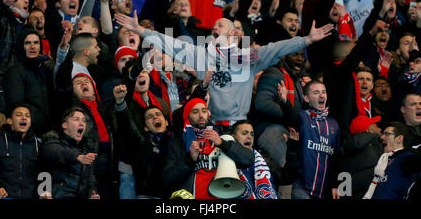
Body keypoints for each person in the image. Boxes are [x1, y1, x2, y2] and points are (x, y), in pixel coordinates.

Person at [115, 11, 333, 132]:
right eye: (214, 26)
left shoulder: (248, 58)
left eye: (220, 25)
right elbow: (170, 44)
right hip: (210, 127)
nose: (215, 28)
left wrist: (307, 40)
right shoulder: (201, 55)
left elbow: (277, 48)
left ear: (233, 32)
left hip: (241, 128)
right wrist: (140, 30)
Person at [161, 98, 254, 199]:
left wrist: (222, 143)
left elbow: (249, 159)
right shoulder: (178, 144)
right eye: (195, 112)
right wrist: (189, 160)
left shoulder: (222, 137)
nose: (201, 115)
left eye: (204, 111)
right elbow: (167, 181)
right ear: (188, 116)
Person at [290, 80, 341, 199]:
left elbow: (337, 159)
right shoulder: (302, 117)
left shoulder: (334, 124)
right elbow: (289, 113)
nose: (321, 95)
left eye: (323, 92)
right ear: (306, 98)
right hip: (301, 188)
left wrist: (335, 185)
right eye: (316, 92)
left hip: (324, 192)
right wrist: (284, 101)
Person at [0, 103, 40, 199]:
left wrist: (44, 192)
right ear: (9, 121)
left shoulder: (37, 144)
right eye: (19, 115)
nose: (24, 118)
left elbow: (45, 173)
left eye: (27, 116)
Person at [40, 106, 100, 199]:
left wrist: (92, 192)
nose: (82, 123)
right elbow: (56, 152)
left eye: (84, 120)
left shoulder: (86, 150)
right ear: (65, 125)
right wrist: (78, 157)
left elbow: (90, 178)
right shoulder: (52, 142)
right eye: (76, 119)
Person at [3, 28, 54, 135]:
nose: (32, 46)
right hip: (28, 132)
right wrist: (40, 121)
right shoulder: (14, 72)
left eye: (36, 42)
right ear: (21, 46)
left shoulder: (46, 71)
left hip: (48, 130)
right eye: (27, 43)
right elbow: (16, 103)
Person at [363, 122, 420, 199]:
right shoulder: (380, 159)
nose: (382, 137)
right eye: (383, 133)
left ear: (399, 138)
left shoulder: (407, 157)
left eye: (387, 134)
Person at [337, 115, 383, 199]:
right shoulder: (372, 146)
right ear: (368, 130)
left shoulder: (347, 146)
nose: (380, 129)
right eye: (376, 126)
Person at [231, 120, 278, 199]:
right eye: (244, 133)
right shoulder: (225, 159)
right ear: (233, 137)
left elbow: (285, 179)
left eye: (252, 134)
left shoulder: (264, 157)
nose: (249, 137)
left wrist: (292, 146)